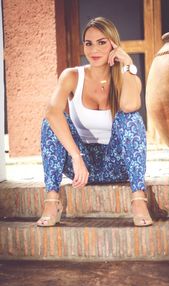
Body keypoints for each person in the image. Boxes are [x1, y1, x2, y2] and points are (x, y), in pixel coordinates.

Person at [37, 17, 153, 227]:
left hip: (117, 164)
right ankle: (52, 200)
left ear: (113, 45)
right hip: (81, 167)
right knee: (50, 122)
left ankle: (138, 198)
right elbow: (52, 112)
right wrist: (76, 156)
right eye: (88, 43)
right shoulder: (71, 76)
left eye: (102, 42)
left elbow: (128, 106)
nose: (94, 49)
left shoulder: (128, 77)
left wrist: (127, 65)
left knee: (130, 118)